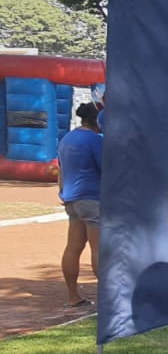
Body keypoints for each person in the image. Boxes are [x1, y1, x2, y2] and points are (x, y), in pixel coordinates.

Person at [56, 102, 103, 307]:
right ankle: (108, 297)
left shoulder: (67, 138)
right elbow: (106, 168)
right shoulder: (94, 140)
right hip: (92, 198)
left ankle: (72, 295)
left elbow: (60, 170)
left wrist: (63, 193)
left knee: (73, 248)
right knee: (99, 248)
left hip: (71, 198)